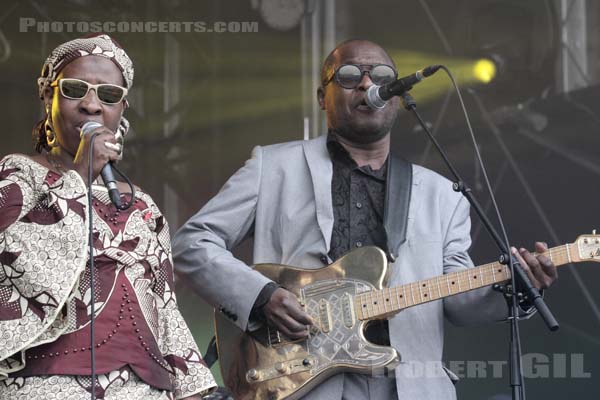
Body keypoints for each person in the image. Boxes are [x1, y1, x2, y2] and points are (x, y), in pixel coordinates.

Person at [172, 39, 557, 399]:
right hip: (296, 379)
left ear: (397, 99)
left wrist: (516, 288)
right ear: (323, 97)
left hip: (406, 386)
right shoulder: (272, 167)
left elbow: (459, 303)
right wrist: (262, 297)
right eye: (350, 76)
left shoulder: (443, 195)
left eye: (382, 77)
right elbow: (191, 243)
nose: (368, 83)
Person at [0, 34, 216, 399]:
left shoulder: (141, 206)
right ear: (47, 95)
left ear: (121, 109)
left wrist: (194, 390)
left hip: (143, 388)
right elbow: (18, 269)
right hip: (44, 384)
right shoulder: (19, 177)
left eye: (108, 95)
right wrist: (81, 176)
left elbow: (164, 309)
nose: (91, 105)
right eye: (74, 89)